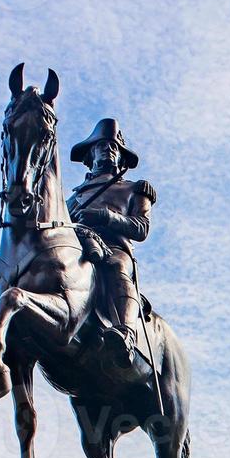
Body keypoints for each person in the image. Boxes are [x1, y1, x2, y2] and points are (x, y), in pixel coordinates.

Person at [66, 118, 157, 362]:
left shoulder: (135, 188)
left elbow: (141, 228)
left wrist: (105, 216)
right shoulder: (75, 196)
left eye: (114, 147)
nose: (108, 150)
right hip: (78, 245)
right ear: (91, 154)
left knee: (116, 266)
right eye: (101, 145)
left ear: (121, 157)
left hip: (115, 248)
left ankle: (125, 334)